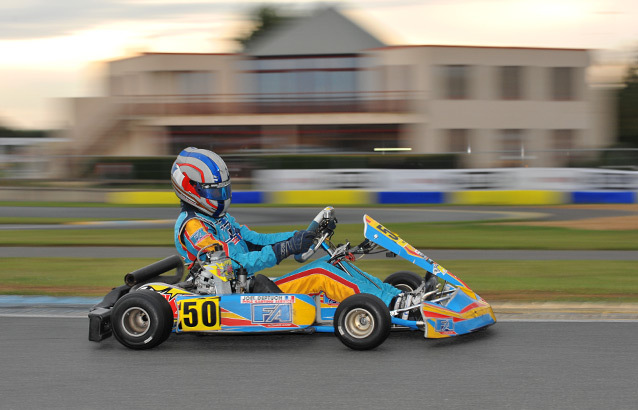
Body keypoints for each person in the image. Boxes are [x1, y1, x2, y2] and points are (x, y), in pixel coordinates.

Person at [171, 147, 419, 310]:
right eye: (216, 191)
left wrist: (299, 237)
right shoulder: (194, 227)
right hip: (231, 299)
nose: (221, 195)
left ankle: (395, 296)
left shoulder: (221, 219)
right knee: (321, 274)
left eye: (223, 189)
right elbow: (233, 265)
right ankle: (392, 306)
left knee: (335, 263)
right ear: (190, 189)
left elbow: (256, 240)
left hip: (249, 289)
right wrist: (285, 249)